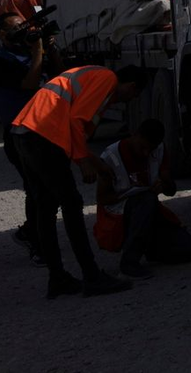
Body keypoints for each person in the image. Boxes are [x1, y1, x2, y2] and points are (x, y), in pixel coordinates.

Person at [10, 64, 149, 297]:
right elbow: (75, 121)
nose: (130, 100)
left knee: (45, 207)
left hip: (25, 133)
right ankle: (92, 276)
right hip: (44, 134)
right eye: (134, 95)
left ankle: (58, 278)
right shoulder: (107, 78)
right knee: (72, 204)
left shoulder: (92, 77)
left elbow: (76, 133)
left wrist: (96, 163)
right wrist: (84, 162)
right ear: (132, 86)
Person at [94, 117, 191, 277]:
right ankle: (129, 262)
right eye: (143, 147)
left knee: (188, 249)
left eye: (150, 149)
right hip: (120, 217)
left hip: (148, 214)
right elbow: (102, 199)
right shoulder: (111, 156)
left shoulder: (158, 151)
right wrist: (129, 195)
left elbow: (171, 189)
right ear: (135, 135)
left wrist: (164, 185)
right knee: (145, 200)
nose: (146, 153)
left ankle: (149, 247)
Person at [0, 13, 50, 264]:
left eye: (23, 26)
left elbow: (58, 72)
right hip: (19, 134)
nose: (21, 32)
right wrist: (38, 51)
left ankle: (34, 233)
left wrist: (48, 45)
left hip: (41, 129)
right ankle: (35, 241)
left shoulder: (25, 49)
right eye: (15, 29)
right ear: (2, 35)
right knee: (35, 187)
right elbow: (30, 84)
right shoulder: (3, 60)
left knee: (44, 187)